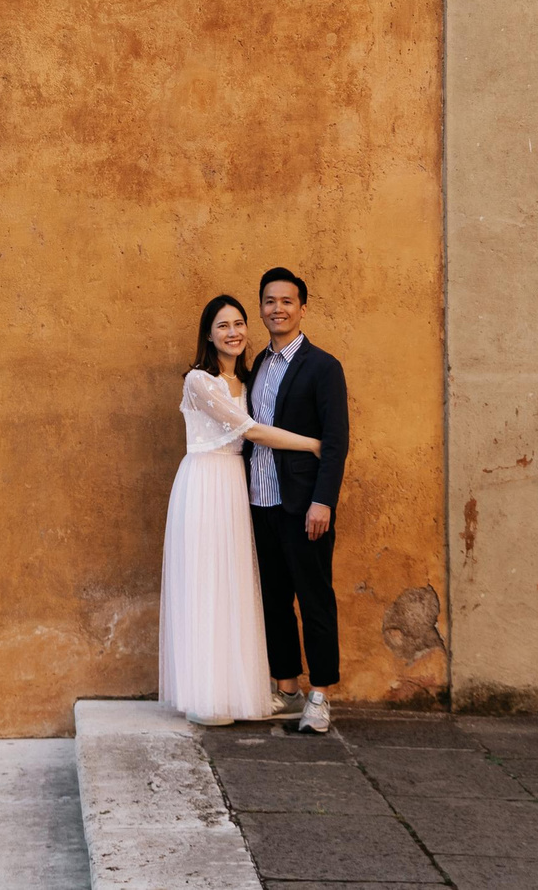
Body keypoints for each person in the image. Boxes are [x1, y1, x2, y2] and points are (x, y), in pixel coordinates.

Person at [159, 294, 326, 727]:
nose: (233, 333)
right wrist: (310, 443)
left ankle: (231, 691)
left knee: (233, 584)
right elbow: (250, 430)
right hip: (203, 484)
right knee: (205, 583)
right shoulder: (200, 380)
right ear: (208, 335)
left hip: (237, 487)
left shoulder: (248, 381)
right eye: (222, 326)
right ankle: (205, 695)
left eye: (238, 324)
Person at [245, 266, 348, 734]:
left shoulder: (323, 367)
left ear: (302, 308)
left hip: (304, 507)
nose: (277, 309)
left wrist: (322, 501)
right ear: (261, 307)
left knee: (315, 600)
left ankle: (320, 694)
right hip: (260, 502)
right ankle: (287, 689)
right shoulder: (257, 366)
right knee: (273, 600)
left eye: (287, 301)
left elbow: (335, 440)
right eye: (269, 301)